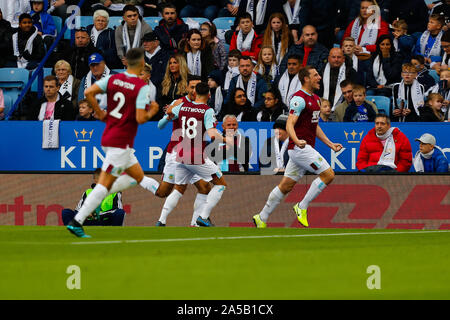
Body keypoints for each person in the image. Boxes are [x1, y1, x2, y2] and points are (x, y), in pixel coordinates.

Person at [66, 48, 160, 238]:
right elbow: (141, 118)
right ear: (141, 63)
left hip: (112, 136)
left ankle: (163, 191)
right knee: (103, 185)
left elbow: (88, 91)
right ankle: (77, 221)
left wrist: (100, 113)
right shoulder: (140, 87)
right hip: (121, 139)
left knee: (136, 178)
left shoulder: (113, 79)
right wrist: (153, 110)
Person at [253, 66, 343, 229]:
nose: (319, 77)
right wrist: (297, 140)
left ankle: (261, 217)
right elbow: (290, 123)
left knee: (286, 185)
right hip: (300, 148)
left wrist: (330, 144)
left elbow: (314, 126)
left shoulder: (316, 99)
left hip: (302, 148)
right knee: (328, 175)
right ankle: (302, 206)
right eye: (315, 75)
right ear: (306, 79)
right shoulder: (299, 99)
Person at [166, 82, 231, 227]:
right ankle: (203, 217)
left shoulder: (182, 106)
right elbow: (212, 134)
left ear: (195, 94)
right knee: (220, 184)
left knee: (179, 189)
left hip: (181, 154)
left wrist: (169, 112)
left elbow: (170, 112)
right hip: (195, 156)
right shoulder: (207, 110)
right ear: (209, 95)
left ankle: (163, 220)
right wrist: (227, 140)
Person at [155, 75, 213, 227]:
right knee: (163, 192)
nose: (194, 90)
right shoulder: (179, 103)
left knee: (204, 187)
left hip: (193, 151)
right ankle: (142, 181)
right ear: (187, 87)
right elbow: (160, 125)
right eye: (191, 87)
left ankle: (194, 223)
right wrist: (170, 114)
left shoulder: (203, 105)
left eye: (197, 87)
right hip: (176, 151)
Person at [62, 168, 126, 226]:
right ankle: (72, 234)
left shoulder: (115, 193)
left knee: (120, 213)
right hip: (88, 221)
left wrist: (98, 215)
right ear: (95, 180)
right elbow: (77, 211)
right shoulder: (87, 192)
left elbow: (117, 210)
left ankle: (114, 235)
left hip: (105, 221)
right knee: (66, 212)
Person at [342, 0, 389, 71]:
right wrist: (350, 48)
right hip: (351, 53)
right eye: (362, 8)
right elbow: (344, 40)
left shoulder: (382, 25)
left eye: (367, 8)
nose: (364, 10)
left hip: (371, 55)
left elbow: (382, 46)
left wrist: (364, 49)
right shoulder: (354, 23)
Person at [156, 53, 189, 120]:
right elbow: (159, 100)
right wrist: (165, 108)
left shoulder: (190, 80)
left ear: (181, 64)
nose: (172, 65)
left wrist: (174, 107)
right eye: (170, 63)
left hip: (184, 116)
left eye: (175, 63)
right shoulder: (164, 82)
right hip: (166, 115)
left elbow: (191, 100)